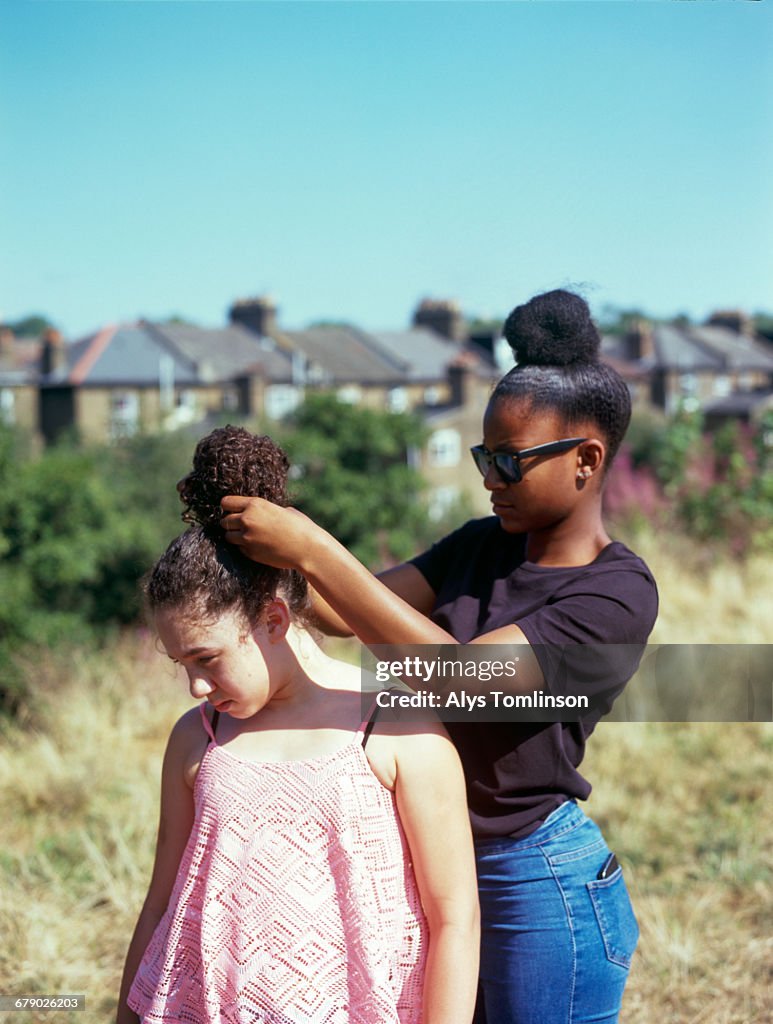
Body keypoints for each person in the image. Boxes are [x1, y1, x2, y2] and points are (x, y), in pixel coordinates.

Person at [218, 290, 659, 1024]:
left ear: (586, 460)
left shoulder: (615, 596)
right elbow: (333, 610)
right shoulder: (478, 545)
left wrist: (314, 547)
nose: (488, 476)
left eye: (509, 461)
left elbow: (463, 683)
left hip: (530, 882)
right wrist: (267, 537)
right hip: (429, 864)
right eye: (484, 455)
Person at [116, 428, 480, 1024]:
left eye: (208, 658)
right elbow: (163, 902)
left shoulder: (396, 728)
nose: (197, 687)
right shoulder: (198, 737)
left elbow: (455, 918)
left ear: (275, 619)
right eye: (182, 665)